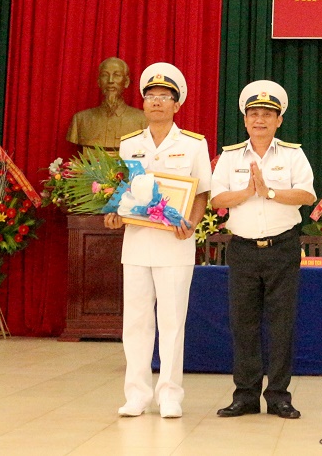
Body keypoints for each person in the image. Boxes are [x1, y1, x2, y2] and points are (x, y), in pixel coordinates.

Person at [103, 62, 210, 419]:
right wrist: (114, 212)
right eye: (151, 96)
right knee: (135, 323)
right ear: (143, 102)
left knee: (172, 322)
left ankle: (170, 395)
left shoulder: (193, 144)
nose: (157, 102)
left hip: (175, 245)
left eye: (165, 97)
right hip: (136, 244)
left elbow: (201, 193)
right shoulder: (129, 144)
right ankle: (136, 394)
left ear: (177, 104)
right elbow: (120, 191)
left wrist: (192, 224)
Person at [210, 81, 316, 420]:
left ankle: (279, 396)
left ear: (279, 120)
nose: (260, 120)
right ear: (245, 120)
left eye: (267, 114)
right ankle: (245, 395)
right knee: (243, 324)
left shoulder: (292, 154)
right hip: (242, 249)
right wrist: (246, 191)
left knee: (282, 324)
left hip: (282, 247)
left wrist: (268, 192)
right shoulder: (230, 156)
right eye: (254, 114)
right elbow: (216, 198)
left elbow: (307, 195)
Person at [67, 57, 148, 151]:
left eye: (117, 75)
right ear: (98, 82)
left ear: (126, 82)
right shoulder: (80, 120)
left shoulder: (143, 120)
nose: (110, 81)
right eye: (105, 75)